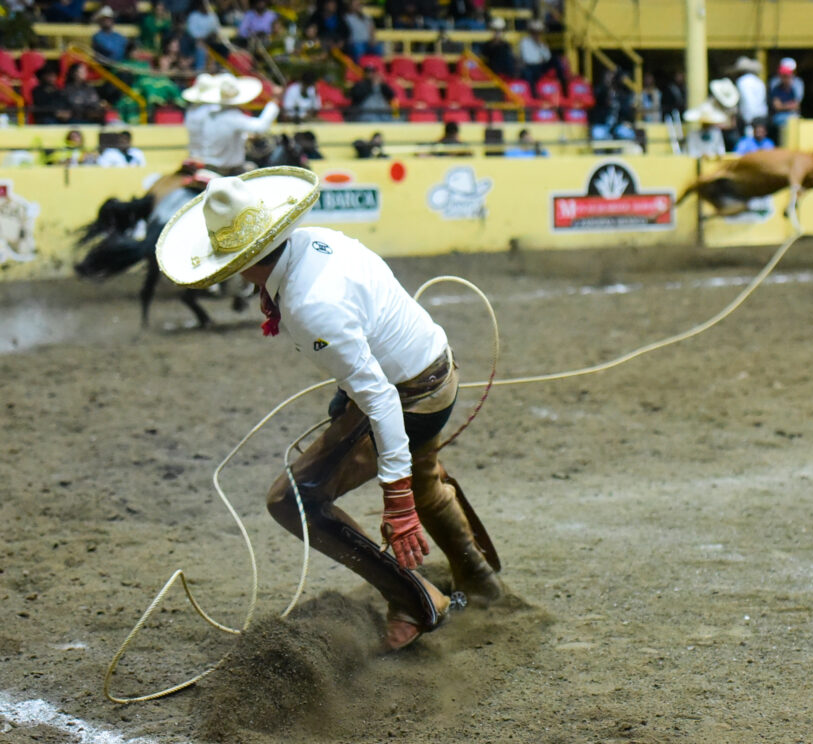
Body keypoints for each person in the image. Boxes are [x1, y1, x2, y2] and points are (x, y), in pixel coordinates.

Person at [155, 169, 503, 651]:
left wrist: (395, 499)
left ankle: (417, 600)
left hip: (407, 395)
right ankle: (481, 581)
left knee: (293, 500)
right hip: (434, 368)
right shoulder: (316, 241)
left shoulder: (305, 305)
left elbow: (379, 397)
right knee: (423, 475)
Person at [181, 72, 280, 175]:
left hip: (207, 163)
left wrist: (244, 137)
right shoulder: (232, 116)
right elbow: (260, 126)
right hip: (227, 170)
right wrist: (273, 105)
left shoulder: (208, 113)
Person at [519, 19, 567, 97]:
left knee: (556, 61)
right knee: (528, 73)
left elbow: (547, 56)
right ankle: (534, 95)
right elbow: (527, 59)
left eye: (538, 32)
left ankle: (564, 89)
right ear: (531, 33)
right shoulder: (525, 42)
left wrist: (540, 48)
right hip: (531, 67)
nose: (537, 35)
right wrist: (540, 59)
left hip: (540, 66)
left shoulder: (542, 44)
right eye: (535, 32)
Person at [732, 55, 767, 136]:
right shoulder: (759, 81)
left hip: (749, 120)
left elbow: (747, 102)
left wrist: (748, 119)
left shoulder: (742, 82)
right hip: (761, 117)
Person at [768, 57, 803, 140]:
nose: (786, 78)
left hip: (792, 116)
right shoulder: (776, 88)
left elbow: (797, 105)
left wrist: (784, 106)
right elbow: (777, 106)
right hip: (780, 117)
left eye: (787, 76)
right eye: (783, 76)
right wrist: (789, 106)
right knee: (785, 121)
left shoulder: (793, 88)